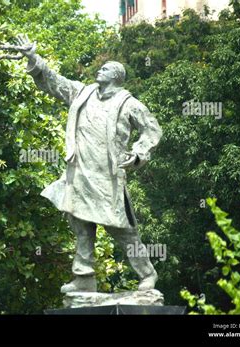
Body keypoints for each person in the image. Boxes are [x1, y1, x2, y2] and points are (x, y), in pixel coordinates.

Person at [16, 34, 163, 293]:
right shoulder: (82, 93)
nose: (99, 69)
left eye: (105, 68)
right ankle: (83, 277)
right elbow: (54, 82)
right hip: (80, 174)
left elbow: (152, 131)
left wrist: (138, 154)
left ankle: (147, 274)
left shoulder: (129, 104)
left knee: (123, 231)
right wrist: (33, 58)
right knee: (81, 228)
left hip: (108, 178)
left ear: (117, 76)